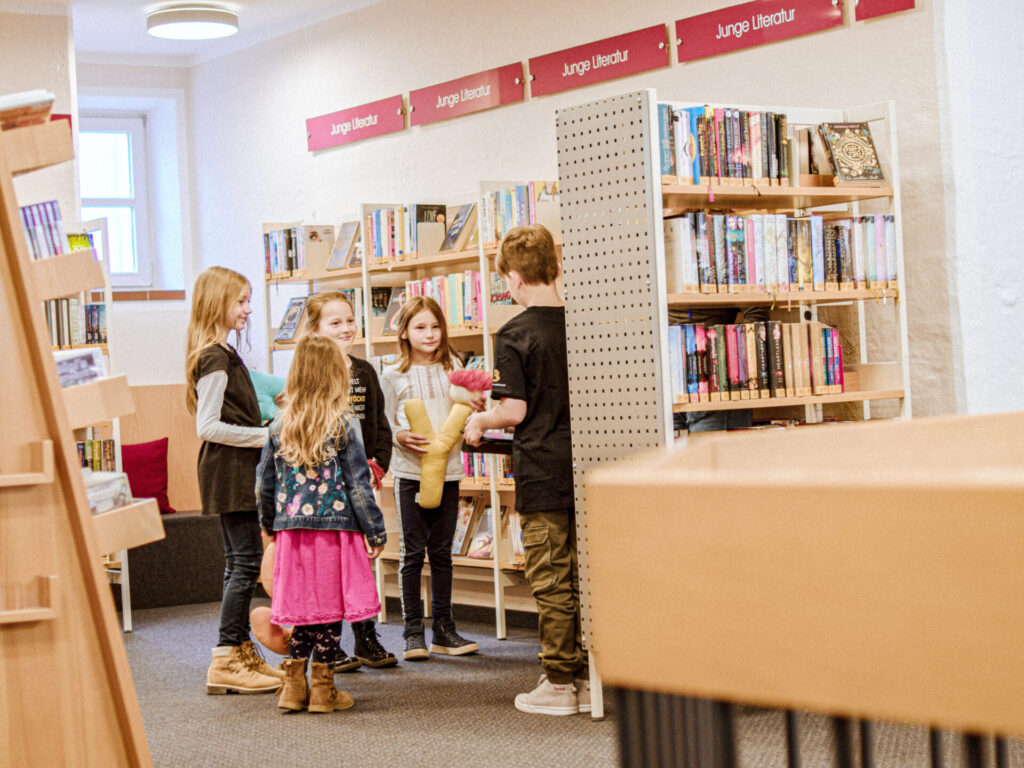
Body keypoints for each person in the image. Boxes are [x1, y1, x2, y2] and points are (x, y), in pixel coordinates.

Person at [463, 224, 586, 716]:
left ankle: (559, 682)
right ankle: (585, 673)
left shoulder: (515, 332)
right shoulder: (582, 324)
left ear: (513, 278)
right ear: (556, 269)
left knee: (551, 576)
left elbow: (512, 411)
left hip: (542, 468)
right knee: (585, 575)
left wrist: (479, 418)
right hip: (590, 463)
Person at [256, 335, 387, 713]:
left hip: (292, 534)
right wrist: (374, 530)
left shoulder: (280, 423)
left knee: (302, 610)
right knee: (329, 609)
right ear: (335, 377)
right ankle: (323, 690)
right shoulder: (344, 423)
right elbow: (358, 484)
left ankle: (294, 687)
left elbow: (264, 481)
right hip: (335, 534)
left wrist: (271, 529)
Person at [185, 266, 283, 695]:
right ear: (217, 304)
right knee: (243, 563)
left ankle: (241, 650)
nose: (247, 310)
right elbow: (207, 425)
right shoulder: (214, 356)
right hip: (230, 470)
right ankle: (226, 656)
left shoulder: (226, 353)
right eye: (240, 301)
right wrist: (268, 435)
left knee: (239, 561)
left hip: (239, 468)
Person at [380, 296, 479, 661]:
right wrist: (398, 436)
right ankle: (411, 632)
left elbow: (467, 409)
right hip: (410, 474)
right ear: (404, 332)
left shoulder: (455, 368)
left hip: (449, 474)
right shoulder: (392, 375)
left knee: (441, 553)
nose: (430, 334)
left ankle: (443, 628)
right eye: (420, 327)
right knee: (411, 553)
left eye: (435, 326)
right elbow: (385, 421)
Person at [304, 291, 397, 671]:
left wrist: (377, 464)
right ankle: (329, 642)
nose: (345, 328)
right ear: (315, 330)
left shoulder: (365, 371)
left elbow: (379, 424)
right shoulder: (309, 374)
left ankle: (365, 636)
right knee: (329, 567)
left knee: (361, 565)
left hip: (361, 481)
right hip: (325, 490)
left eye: (349, 320)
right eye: (334, 322)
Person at [668, 305, 768, 433]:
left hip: (716, 385)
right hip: (671, 386)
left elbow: (757, 313)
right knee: (673, 452)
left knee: (713, 452)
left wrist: (727, 346)